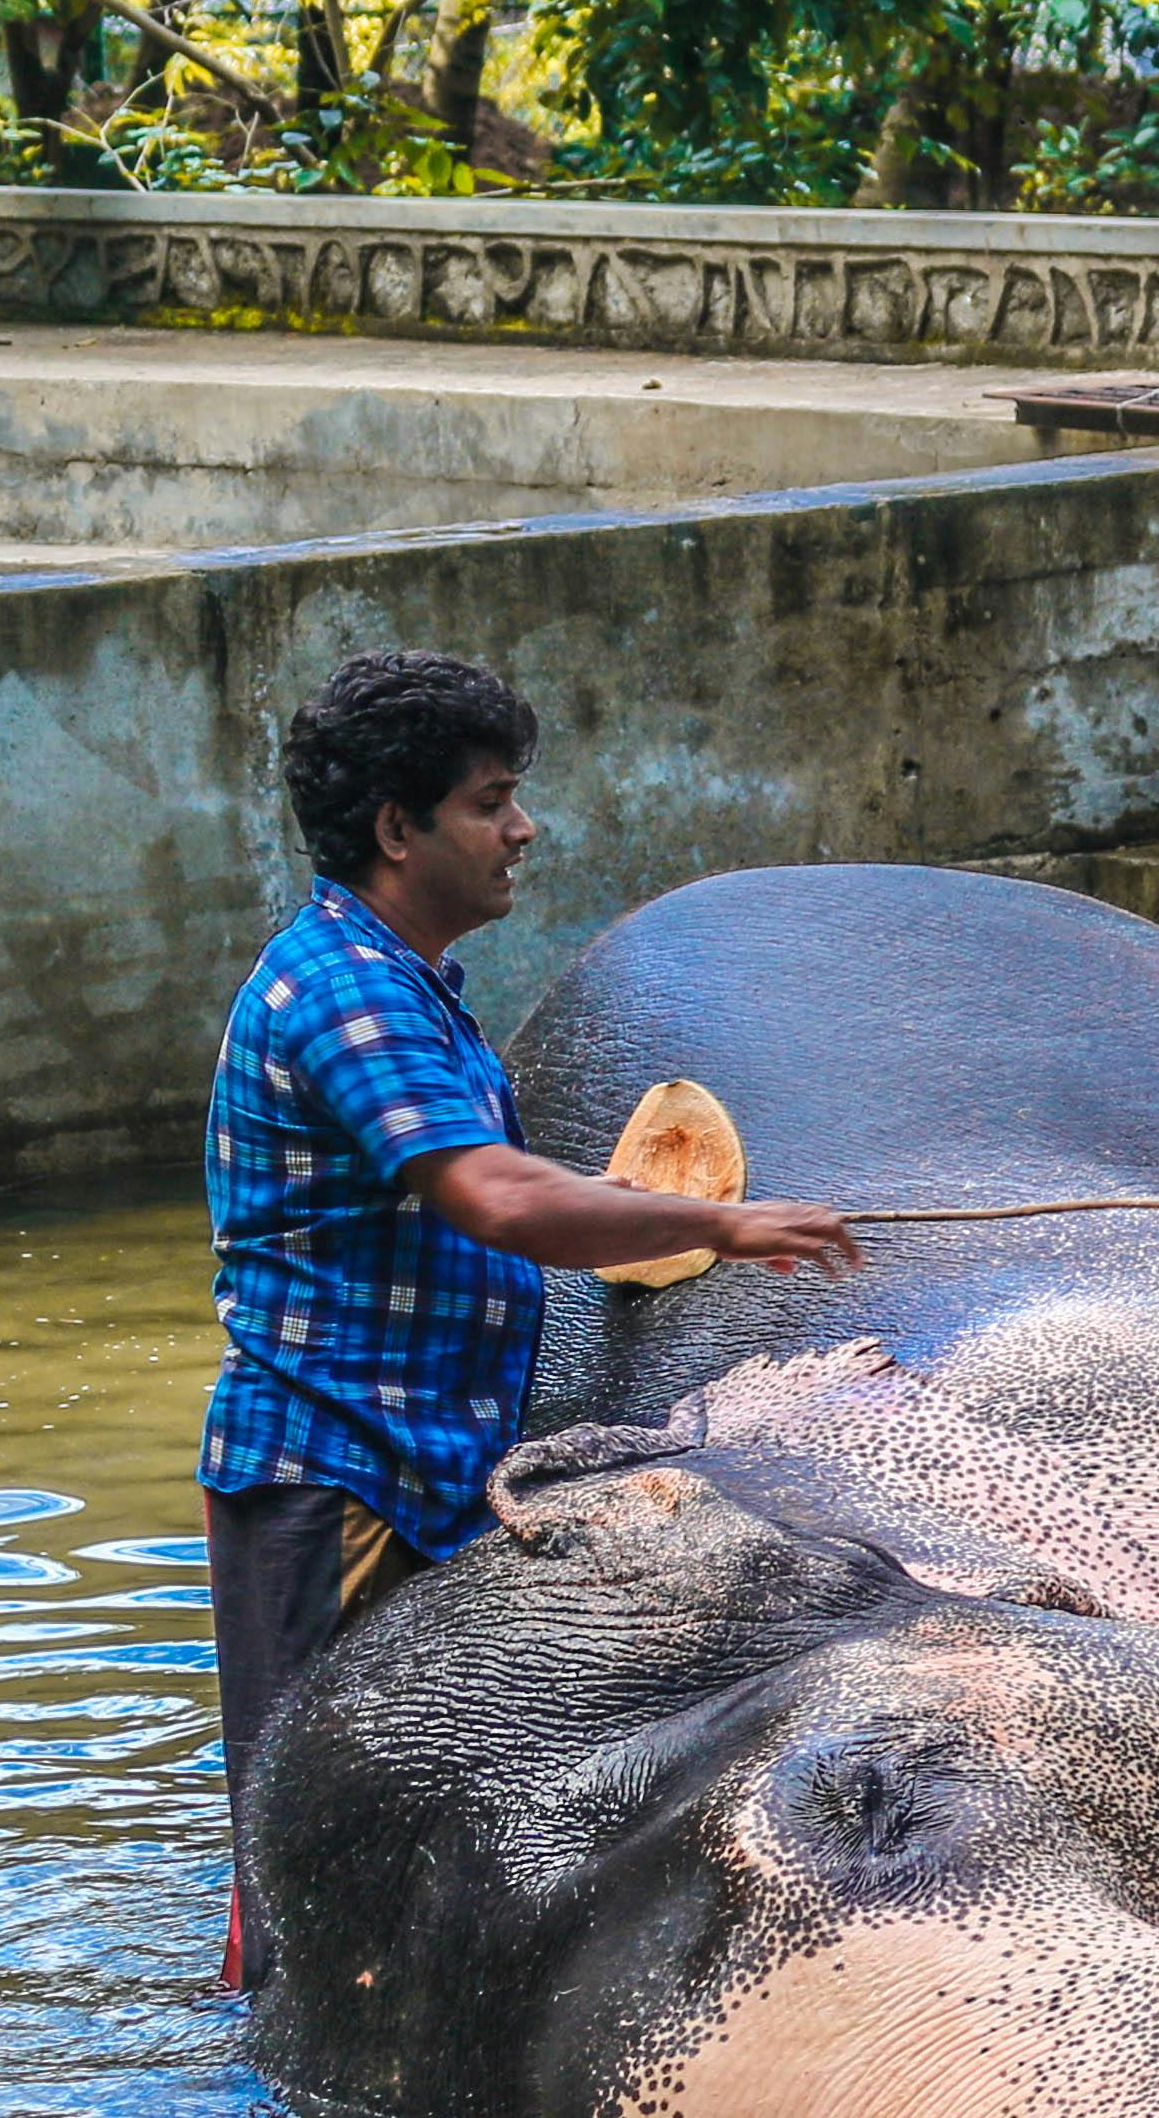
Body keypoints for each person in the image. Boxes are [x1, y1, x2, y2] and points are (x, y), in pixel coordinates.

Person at [200, 649, 857, 1986]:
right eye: (491, 802)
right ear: (399, 830)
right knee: (301, 1848)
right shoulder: (346, 989)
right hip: (331, 1471)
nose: (523, 829)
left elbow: (487, 1187)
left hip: (424, 1461)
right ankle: (260, 2085)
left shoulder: (411, 980)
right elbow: (494, 1196)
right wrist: (714, 1224)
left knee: (408, 1825)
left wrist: (629, 1214)